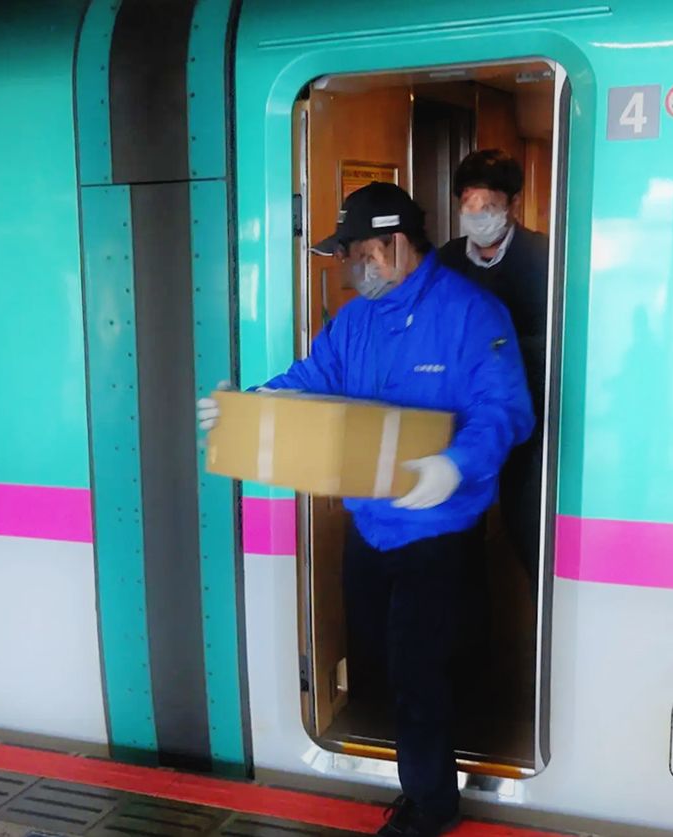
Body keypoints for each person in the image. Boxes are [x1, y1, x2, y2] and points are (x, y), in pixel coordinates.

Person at [198, 182, 534, 837]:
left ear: (396, 244)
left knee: (419, 670)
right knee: (383, 659)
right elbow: (308, 383)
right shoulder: (355, 321)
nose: (352, 268)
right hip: (371, 528)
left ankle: (431, 805)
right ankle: (417, 768)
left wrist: (455, 464)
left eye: (359, 254)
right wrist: (245, 408)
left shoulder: (472, 314)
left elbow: (505, 411)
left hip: (440, 530)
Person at [438, 149, 550, 595]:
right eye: (470, 205)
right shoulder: (446, 263)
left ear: (513, 205)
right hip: (461, 421)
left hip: (531, 420)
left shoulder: (545, 257)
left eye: (490, 205)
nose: (478, 215)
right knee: (459, 538)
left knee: (528, 529)